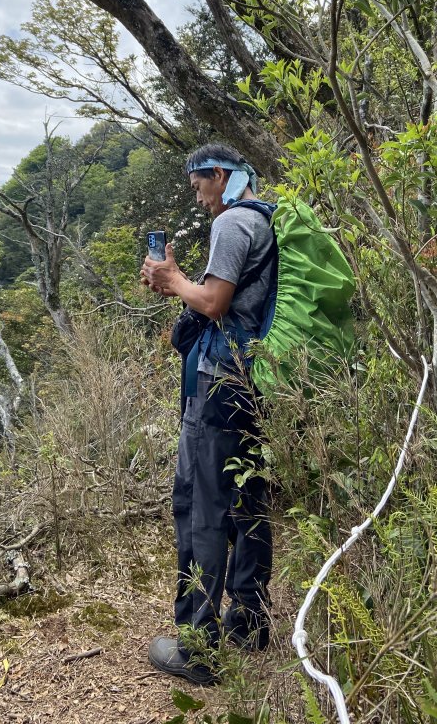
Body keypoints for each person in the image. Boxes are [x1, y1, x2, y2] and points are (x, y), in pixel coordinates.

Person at [140, 143, 275, 685]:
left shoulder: (231, 225)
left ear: (218, 175)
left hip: (217, 385)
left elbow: (215, 302)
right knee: (247, 501)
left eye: (198, 185)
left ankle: (197, 648)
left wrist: (172, 281)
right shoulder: (261, 220)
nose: (198, 197)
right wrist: (179, 286)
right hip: (251, 381)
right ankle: (249, 623)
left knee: (200, 507)